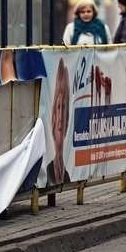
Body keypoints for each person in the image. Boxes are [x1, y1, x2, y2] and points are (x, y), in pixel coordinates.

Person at [46, 58, 71, 186]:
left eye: (64, 107)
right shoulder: (46, 173)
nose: (60, 117)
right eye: (58, 107)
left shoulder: (67, 175)